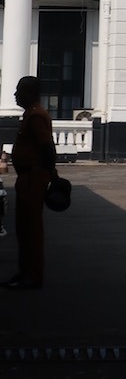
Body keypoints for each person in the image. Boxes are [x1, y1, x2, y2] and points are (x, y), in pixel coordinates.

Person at [2, 76, 57, 290]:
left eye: (19, 91)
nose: (15, 94)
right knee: (23, 226)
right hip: (28, 176)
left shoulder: (35, 116)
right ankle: (25, 270)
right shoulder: (30, 114)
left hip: (33, 176)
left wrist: (50, 174)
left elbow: (47, 148)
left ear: (30, 93)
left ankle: (32, 274)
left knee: (31, 227)